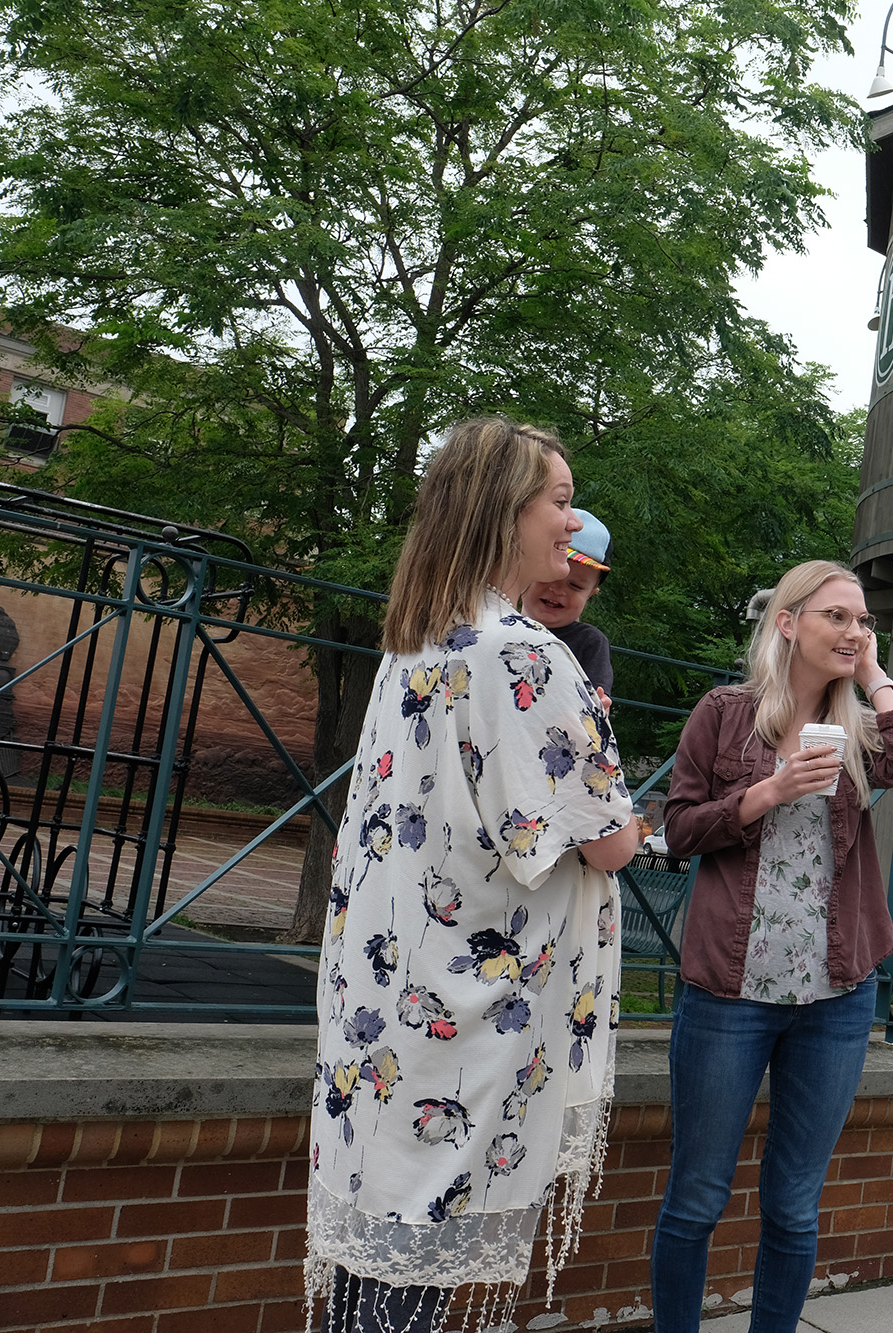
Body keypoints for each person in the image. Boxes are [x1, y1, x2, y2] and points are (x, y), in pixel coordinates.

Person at [306, 417, 641, 1333]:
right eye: (561, 502)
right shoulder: (526, 653)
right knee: (411, 1273)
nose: (572, 527)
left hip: (384, 1001)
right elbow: (606, 838)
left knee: (373, 1265)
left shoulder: (414, 641)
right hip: (468, 1015)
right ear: (505, 510)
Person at [651, 559, 893, 1333]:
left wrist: (873, 673)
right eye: (837, 616)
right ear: (787, 622)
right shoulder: (724, 713)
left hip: (836, 997)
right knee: (697, 1197)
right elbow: (677, 830)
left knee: (794, 1204)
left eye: (864, 620)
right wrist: (766, 792)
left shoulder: (861, 732)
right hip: (728, 993)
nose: (854, 630)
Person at [524, 507, 615, 700]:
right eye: (549, 576)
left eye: (575, 585)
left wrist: (600, 705)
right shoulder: (495, 621)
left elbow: (595, 701)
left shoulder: (590, 643)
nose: (557, 590)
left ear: (591, 594)